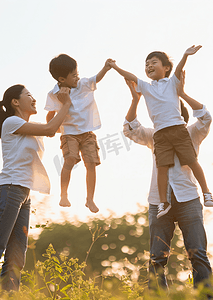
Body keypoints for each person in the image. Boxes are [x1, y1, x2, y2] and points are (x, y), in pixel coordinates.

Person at [123, 73, 212, 291]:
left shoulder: (191, 132)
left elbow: (206, 118)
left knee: (198, 253)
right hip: (158, 202)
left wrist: (182, 94)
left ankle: (205, 296)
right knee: (157, 258)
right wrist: (136, 100)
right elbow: (129, 129)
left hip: (188, 199)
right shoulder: (155, 135)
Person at [109, 46, 213, 218]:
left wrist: (185, 55)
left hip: (178, 130)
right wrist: (115, 67)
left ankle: (207, 192)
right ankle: (163, 202)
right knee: (161, 167)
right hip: (160, 134)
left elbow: (178, 70)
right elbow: (131, 77)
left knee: (191, 161)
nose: (149, 66)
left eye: (154, 62)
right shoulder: (146, 87)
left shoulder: (173, 83)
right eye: (146, 64)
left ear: (166, 68)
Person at [0, 85, 71, 291]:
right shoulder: (12, 122)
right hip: (9, 188)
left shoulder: (28, 127)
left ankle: (8, 296)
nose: (33, 98)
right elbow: (50, 128)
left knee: (17, 257)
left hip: (23, 193)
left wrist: (59, 102)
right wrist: (67, 103)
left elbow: (53, 125)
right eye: (29, 95)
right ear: (15, 102)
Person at [45, 54, 112, 213]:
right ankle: (63, 194)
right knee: (69, 159)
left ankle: (89, 199)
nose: (77, 77)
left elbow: (97, 78)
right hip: (68, 133)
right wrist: (50, 127)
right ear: (61, 79)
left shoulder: (83, 84)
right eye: (73, 75)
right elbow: (50, 113)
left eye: (77, 73)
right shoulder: (54, 93)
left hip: (87, 133)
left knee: (91, 163)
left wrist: (106, 67)